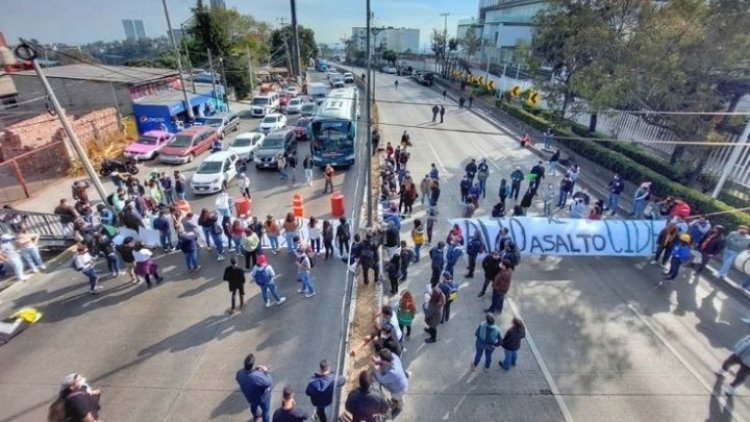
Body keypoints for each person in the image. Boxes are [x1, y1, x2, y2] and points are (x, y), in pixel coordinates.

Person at [236, 354, 273, 422]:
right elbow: (268, 382)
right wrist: (266, 371)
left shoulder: (239, 373)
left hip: (249, 396)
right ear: (252, 365)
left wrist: (256, 370)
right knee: (266, 411)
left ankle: (256, 415)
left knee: (253, 406)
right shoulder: (256, 376)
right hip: (262, 398)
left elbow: (238, 379)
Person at [372, 349, 408, 417]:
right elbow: (384, 361)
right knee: (396, 397)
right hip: (400, 382)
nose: (379, 360)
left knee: (399, 399)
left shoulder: (393, 373)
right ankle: (396, 401)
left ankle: (399, 407)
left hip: (399, 390)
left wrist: (376, 369)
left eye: (381, 359)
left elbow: (381, 379)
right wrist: (378, 361)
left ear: (385, 361)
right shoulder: (394, 356)